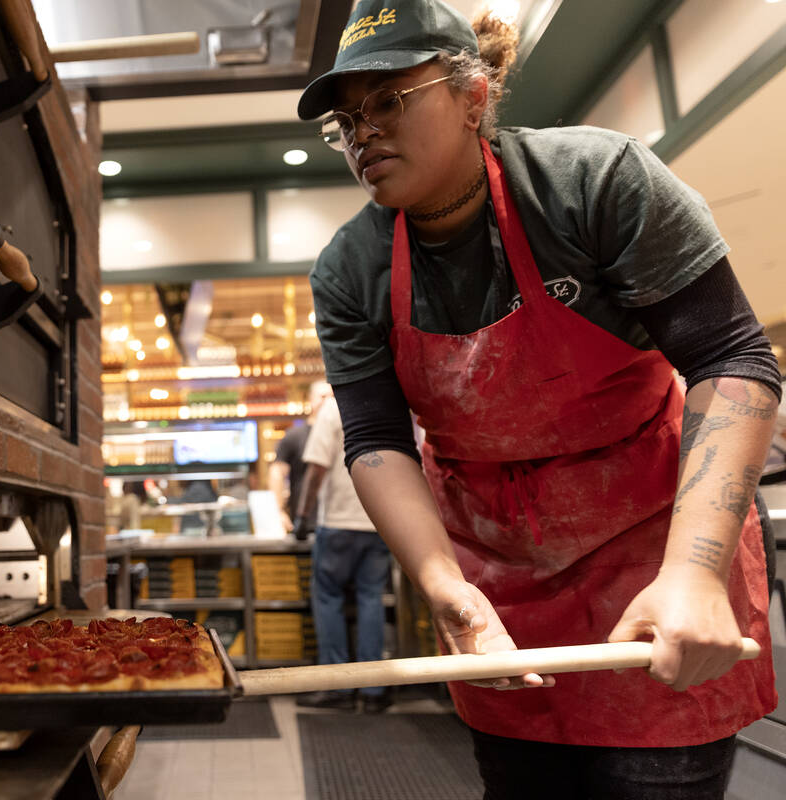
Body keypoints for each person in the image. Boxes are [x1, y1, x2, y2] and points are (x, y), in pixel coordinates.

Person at [299, 1, 781, 796]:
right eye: (347, 122)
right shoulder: (351, 270)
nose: (363, 134)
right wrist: (446, 587)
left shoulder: (590, 184)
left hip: (655, 545)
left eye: (388, 100)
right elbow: (378, 440)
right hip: (501, 582)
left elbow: (731, 357)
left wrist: (696, 569)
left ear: (472, 95)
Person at [294, 390, 394, 712]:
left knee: (328, 599)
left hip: (337, 523)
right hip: (379, 521)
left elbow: (316, 469)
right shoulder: (385, 403)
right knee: (370, 599)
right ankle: (372, 690)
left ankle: (337, 687)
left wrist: (302, 516)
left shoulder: (333, 409)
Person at [269, 381, 332, 536]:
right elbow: (276, 472)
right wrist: (279, 512)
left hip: (337, 522)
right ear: (310, 400)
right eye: (323, 396)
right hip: (305, 524)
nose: (328, 402)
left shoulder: (343, 434)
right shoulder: (294, 436)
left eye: (332, 397)